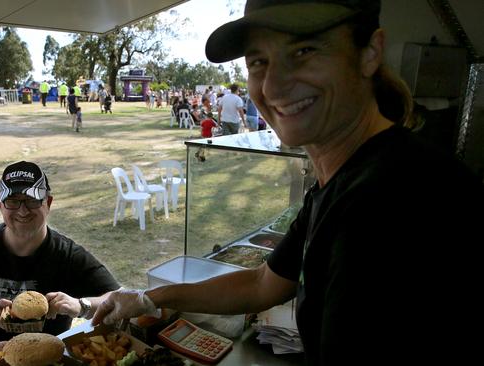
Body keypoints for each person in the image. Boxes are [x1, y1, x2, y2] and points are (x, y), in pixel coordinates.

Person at [93, 1, 484, 365]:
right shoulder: (337, 183)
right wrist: (146, 298)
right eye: (258, 61)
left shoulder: (395, 198)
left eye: (304, 51)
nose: (273, 87)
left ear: (370, 52)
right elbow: (264, 284)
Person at [0, 161, 120, 344]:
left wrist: (80, 306)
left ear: (48, 203)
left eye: (32, 200)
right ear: (0, 205)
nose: (23, 210)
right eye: (13, 201)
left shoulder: (67, 255)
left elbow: (118, 298)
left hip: (50, 357)